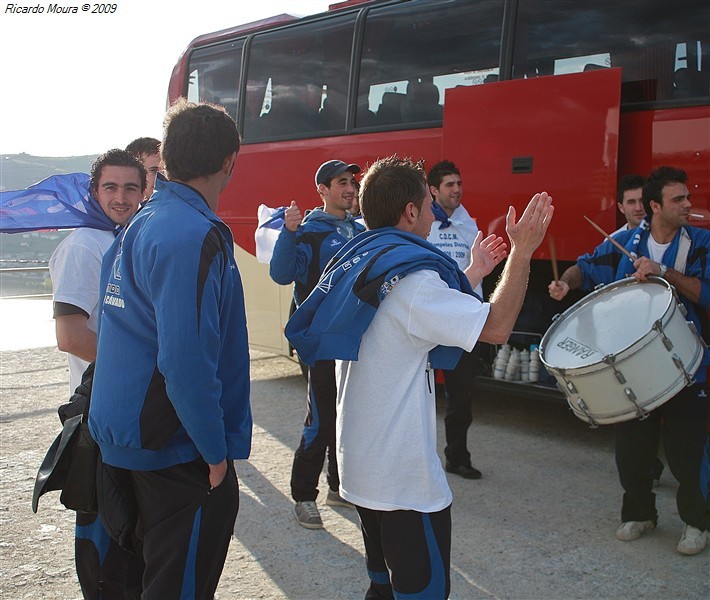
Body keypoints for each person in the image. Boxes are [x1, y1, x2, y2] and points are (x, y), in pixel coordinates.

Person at [285, 156, 553, 597]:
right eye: (428, 204)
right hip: (403, 484)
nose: (433, 214)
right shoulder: (413, 281)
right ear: (410, 211)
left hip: (362, 471)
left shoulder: (364, 261)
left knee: (382, 588)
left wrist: (474, 272)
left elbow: (409, 319)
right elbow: (497, 326)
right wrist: (522, 252)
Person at [89, 99, 252, 597]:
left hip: (129, 438)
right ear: (228, 162)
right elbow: (184, 362)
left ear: (166, 158)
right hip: (173, 448)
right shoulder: (189, 233)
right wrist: (214, 452)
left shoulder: (141, 222)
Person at [549, 166, 710, 556]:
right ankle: (640, 513)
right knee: (632, 453)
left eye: (687, 197)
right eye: (679, 199)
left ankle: (696, 522)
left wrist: (664, 271)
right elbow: (584, 267)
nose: (688, 204)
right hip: (635, 371)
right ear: (656, 206)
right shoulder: (624, 241)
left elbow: (707, 294)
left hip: (689, 367)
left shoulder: (702, 243)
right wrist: (565, 283)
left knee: (688, 454)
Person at [48, 148, 145, 599]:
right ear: (94, 191)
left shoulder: (122, 237)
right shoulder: (84, 244)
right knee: (103, 540)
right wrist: (141, 368)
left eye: (130, 187)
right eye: (111, 187)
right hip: (98, 415)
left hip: (126, 411)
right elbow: (70, 336)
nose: (121, 197)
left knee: (129, 539)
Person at [270, 159, 366, 529]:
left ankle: (337, 487)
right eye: (341, 182)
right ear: (322, 190)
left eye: (352, 182)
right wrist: (289, 233)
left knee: (345, 417)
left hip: (349, 340)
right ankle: (303, 496)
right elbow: (281, 275)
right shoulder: (309, 231)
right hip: (320, 342)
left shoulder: (355, 229)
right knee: (321, 419)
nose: (350, 188)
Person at [426, 160, 483, 479]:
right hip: (427, 317)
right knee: (417, 390)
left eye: (459, 183)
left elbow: (479, 271)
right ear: (433, 191)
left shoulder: (469, 225)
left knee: (461, 397)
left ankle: (457, 457)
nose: (457, 190)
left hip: (461, 319)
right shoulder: (421, 223)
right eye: (450, 184)